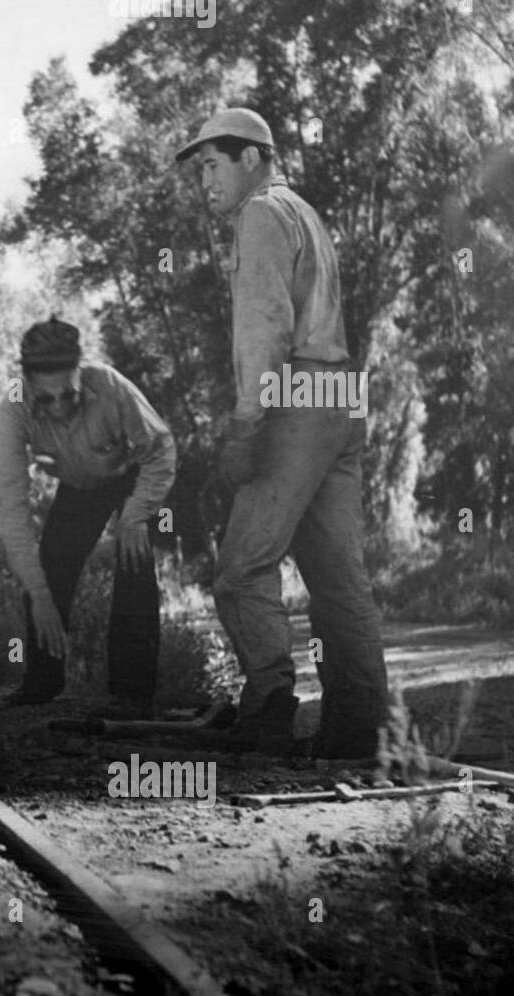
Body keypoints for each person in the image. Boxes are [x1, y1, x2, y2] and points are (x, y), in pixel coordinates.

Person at [177, 107, 389, 761]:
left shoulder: (262, 213)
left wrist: (247, 424)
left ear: (252, 158)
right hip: (340, 393)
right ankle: (363, 728)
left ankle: (268, 706)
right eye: (199, 170)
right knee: (336, 578)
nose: (204, 182)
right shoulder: (304, 211)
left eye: (213, 165)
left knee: (240, 572)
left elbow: (265, 325)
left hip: (296, 395)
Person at [0, 317, 176, 711]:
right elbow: (13, 510)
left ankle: (132, 694)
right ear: (27, 384)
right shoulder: (11, 411)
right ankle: (40, 686)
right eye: (46, 399)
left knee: (135, 564)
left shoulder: (108, 383)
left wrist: (136, 515)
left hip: (132, 476)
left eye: (68, 395)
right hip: (78, 488)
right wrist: (38, 594)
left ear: (80, 373)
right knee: (48, 571)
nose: (58, 407)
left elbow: (161, 449)